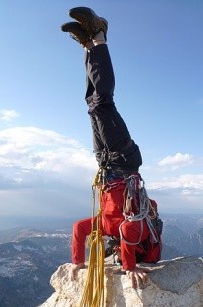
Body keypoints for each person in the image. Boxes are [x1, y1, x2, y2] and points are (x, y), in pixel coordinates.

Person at [61, 7, 162, 289]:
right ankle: (100, 36)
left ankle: (88, 45)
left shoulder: (107, 227)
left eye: (114, 251)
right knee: (104, 102)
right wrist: (129, 266)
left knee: (93, 107)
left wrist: (78, 262)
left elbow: (79, 229)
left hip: (106, 165)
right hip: (125, 160)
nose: (115, 248)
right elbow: (129, 231)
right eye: (117, 250)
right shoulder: (136, 227)